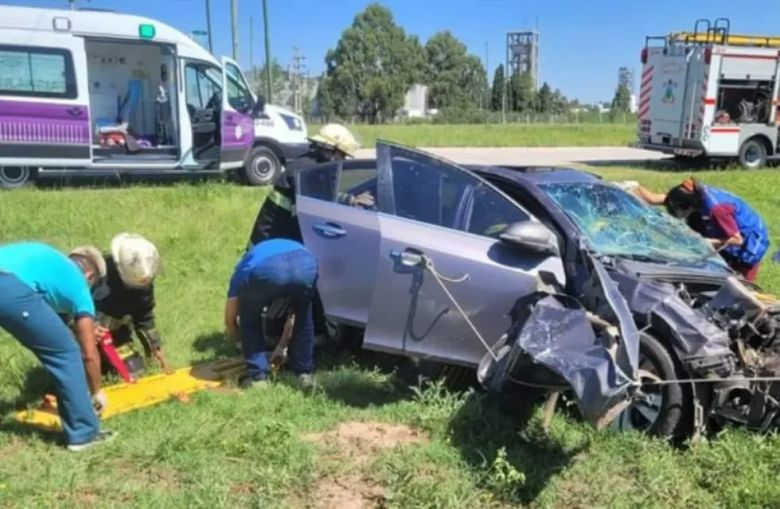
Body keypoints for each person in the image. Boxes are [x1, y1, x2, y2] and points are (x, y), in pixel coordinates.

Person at [245, 124, 371, 344]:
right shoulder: (305, 170)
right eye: (341, 154)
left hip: (284, 235)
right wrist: (350, 201)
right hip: (271, 240)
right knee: (283, 286)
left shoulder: (313, 165)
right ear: (329, 149)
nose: (342, 160)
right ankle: (273, 337)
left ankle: (307, 334)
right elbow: (317, 198)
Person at [0, 242, 114, 451]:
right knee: (67, 353)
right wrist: (96, 392)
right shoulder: (80, 286)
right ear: (90, 276)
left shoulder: (51, 260)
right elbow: (88, 353)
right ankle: (84, 434)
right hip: (7, 286)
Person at [620, 178, 770, 281]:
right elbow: (655, 199)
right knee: (718, 273)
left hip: (748, 240)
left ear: (690, 206)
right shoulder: (689, 195)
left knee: (739, 286)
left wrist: (704, 241)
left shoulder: (717, 209)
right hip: (722, 232)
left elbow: (737, 239)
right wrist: (634, 188)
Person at [224, 239, 318, 388]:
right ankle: (303, 373)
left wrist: (240, 342)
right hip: (307, 264)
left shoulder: (241, 271)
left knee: (249, 316)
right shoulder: (264, 252)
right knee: (303, 314)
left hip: (268, 269)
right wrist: (281, 347)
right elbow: (293, 316)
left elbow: (230, 318)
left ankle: (258, 377)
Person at [93, 233, 170, 374]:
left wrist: (155, 347)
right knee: (85, 374)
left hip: (115, 335)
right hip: (80, 335)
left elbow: (144, 315)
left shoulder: (141, 277)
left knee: (135, 371)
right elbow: (68, 311)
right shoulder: (94, 275)